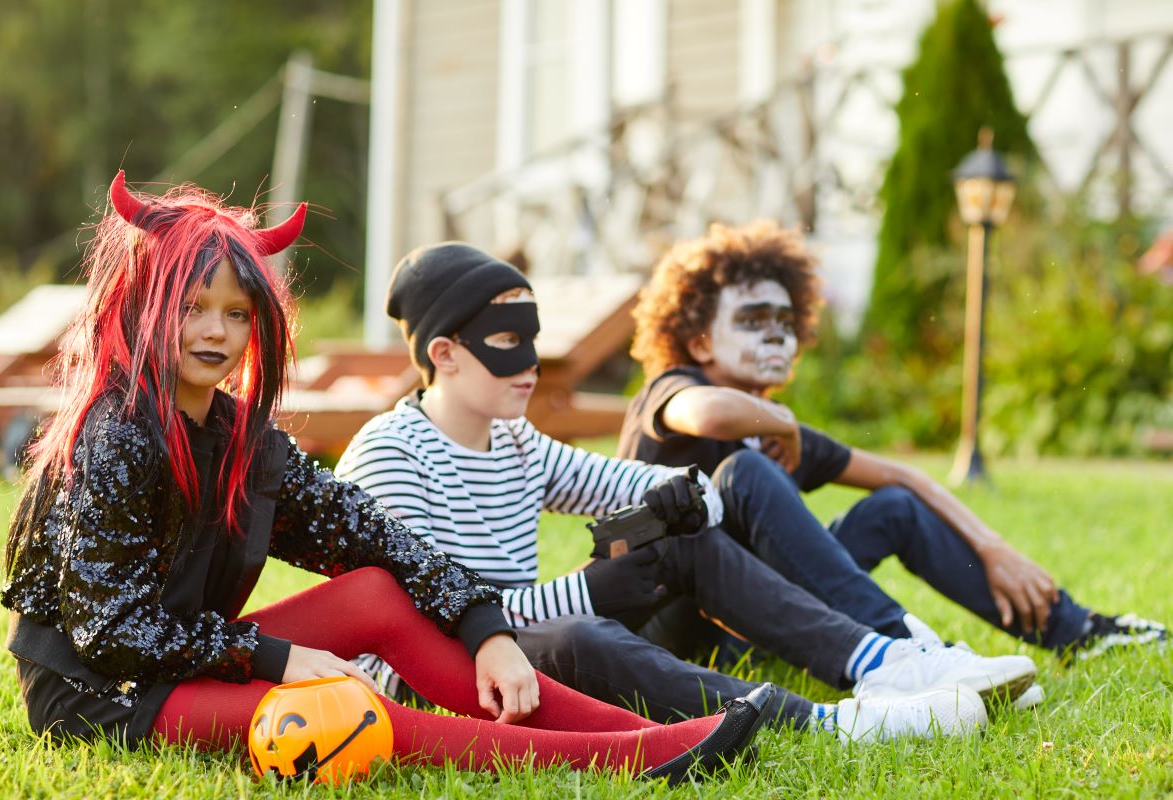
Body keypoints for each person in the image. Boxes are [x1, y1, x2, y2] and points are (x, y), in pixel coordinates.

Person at [0, 172, 788, 785]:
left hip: (181, 659)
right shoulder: (116, 435)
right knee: (352, 712)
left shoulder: (237, 435)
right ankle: (620, 760)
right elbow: (111, 631)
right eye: (194, 308)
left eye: (237, 313)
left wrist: (484, 627)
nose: (217, 332)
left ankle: (630, 734)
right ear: (144, 308)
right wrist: (273, 658)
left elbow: (363, 531)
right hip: (102, 693)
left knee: (376, 587)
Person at [334, 241, 1029, 740]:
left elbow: (641, 483)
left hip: (517, 644)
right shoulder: (393, 455)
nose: (530, 367)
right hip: (436, 677)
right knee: (581, 632)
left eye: (533, 341)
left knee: (679, 537)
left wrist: (686, 496)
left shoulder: (516, 441)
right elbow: (433, 621)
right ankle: (829, 724)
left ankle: (880, 662)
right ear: (445, 354)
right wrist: (591, 592)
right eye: (505, 342)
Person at [621, 219, 1166, 672]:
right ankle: (906, 654)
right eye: (754, 320)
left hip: (752, 622)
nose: (776, 335)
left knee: (895, 510)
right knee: (744, 472)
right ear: (698, 341)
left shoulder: (769, 430)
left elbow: (907, 480)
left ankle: (1079, 630)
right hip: (669, 631)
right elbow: (710, 413)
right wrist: (783, 420)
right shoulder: (669, 392)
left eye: (786, 322)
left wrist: (994, 548)